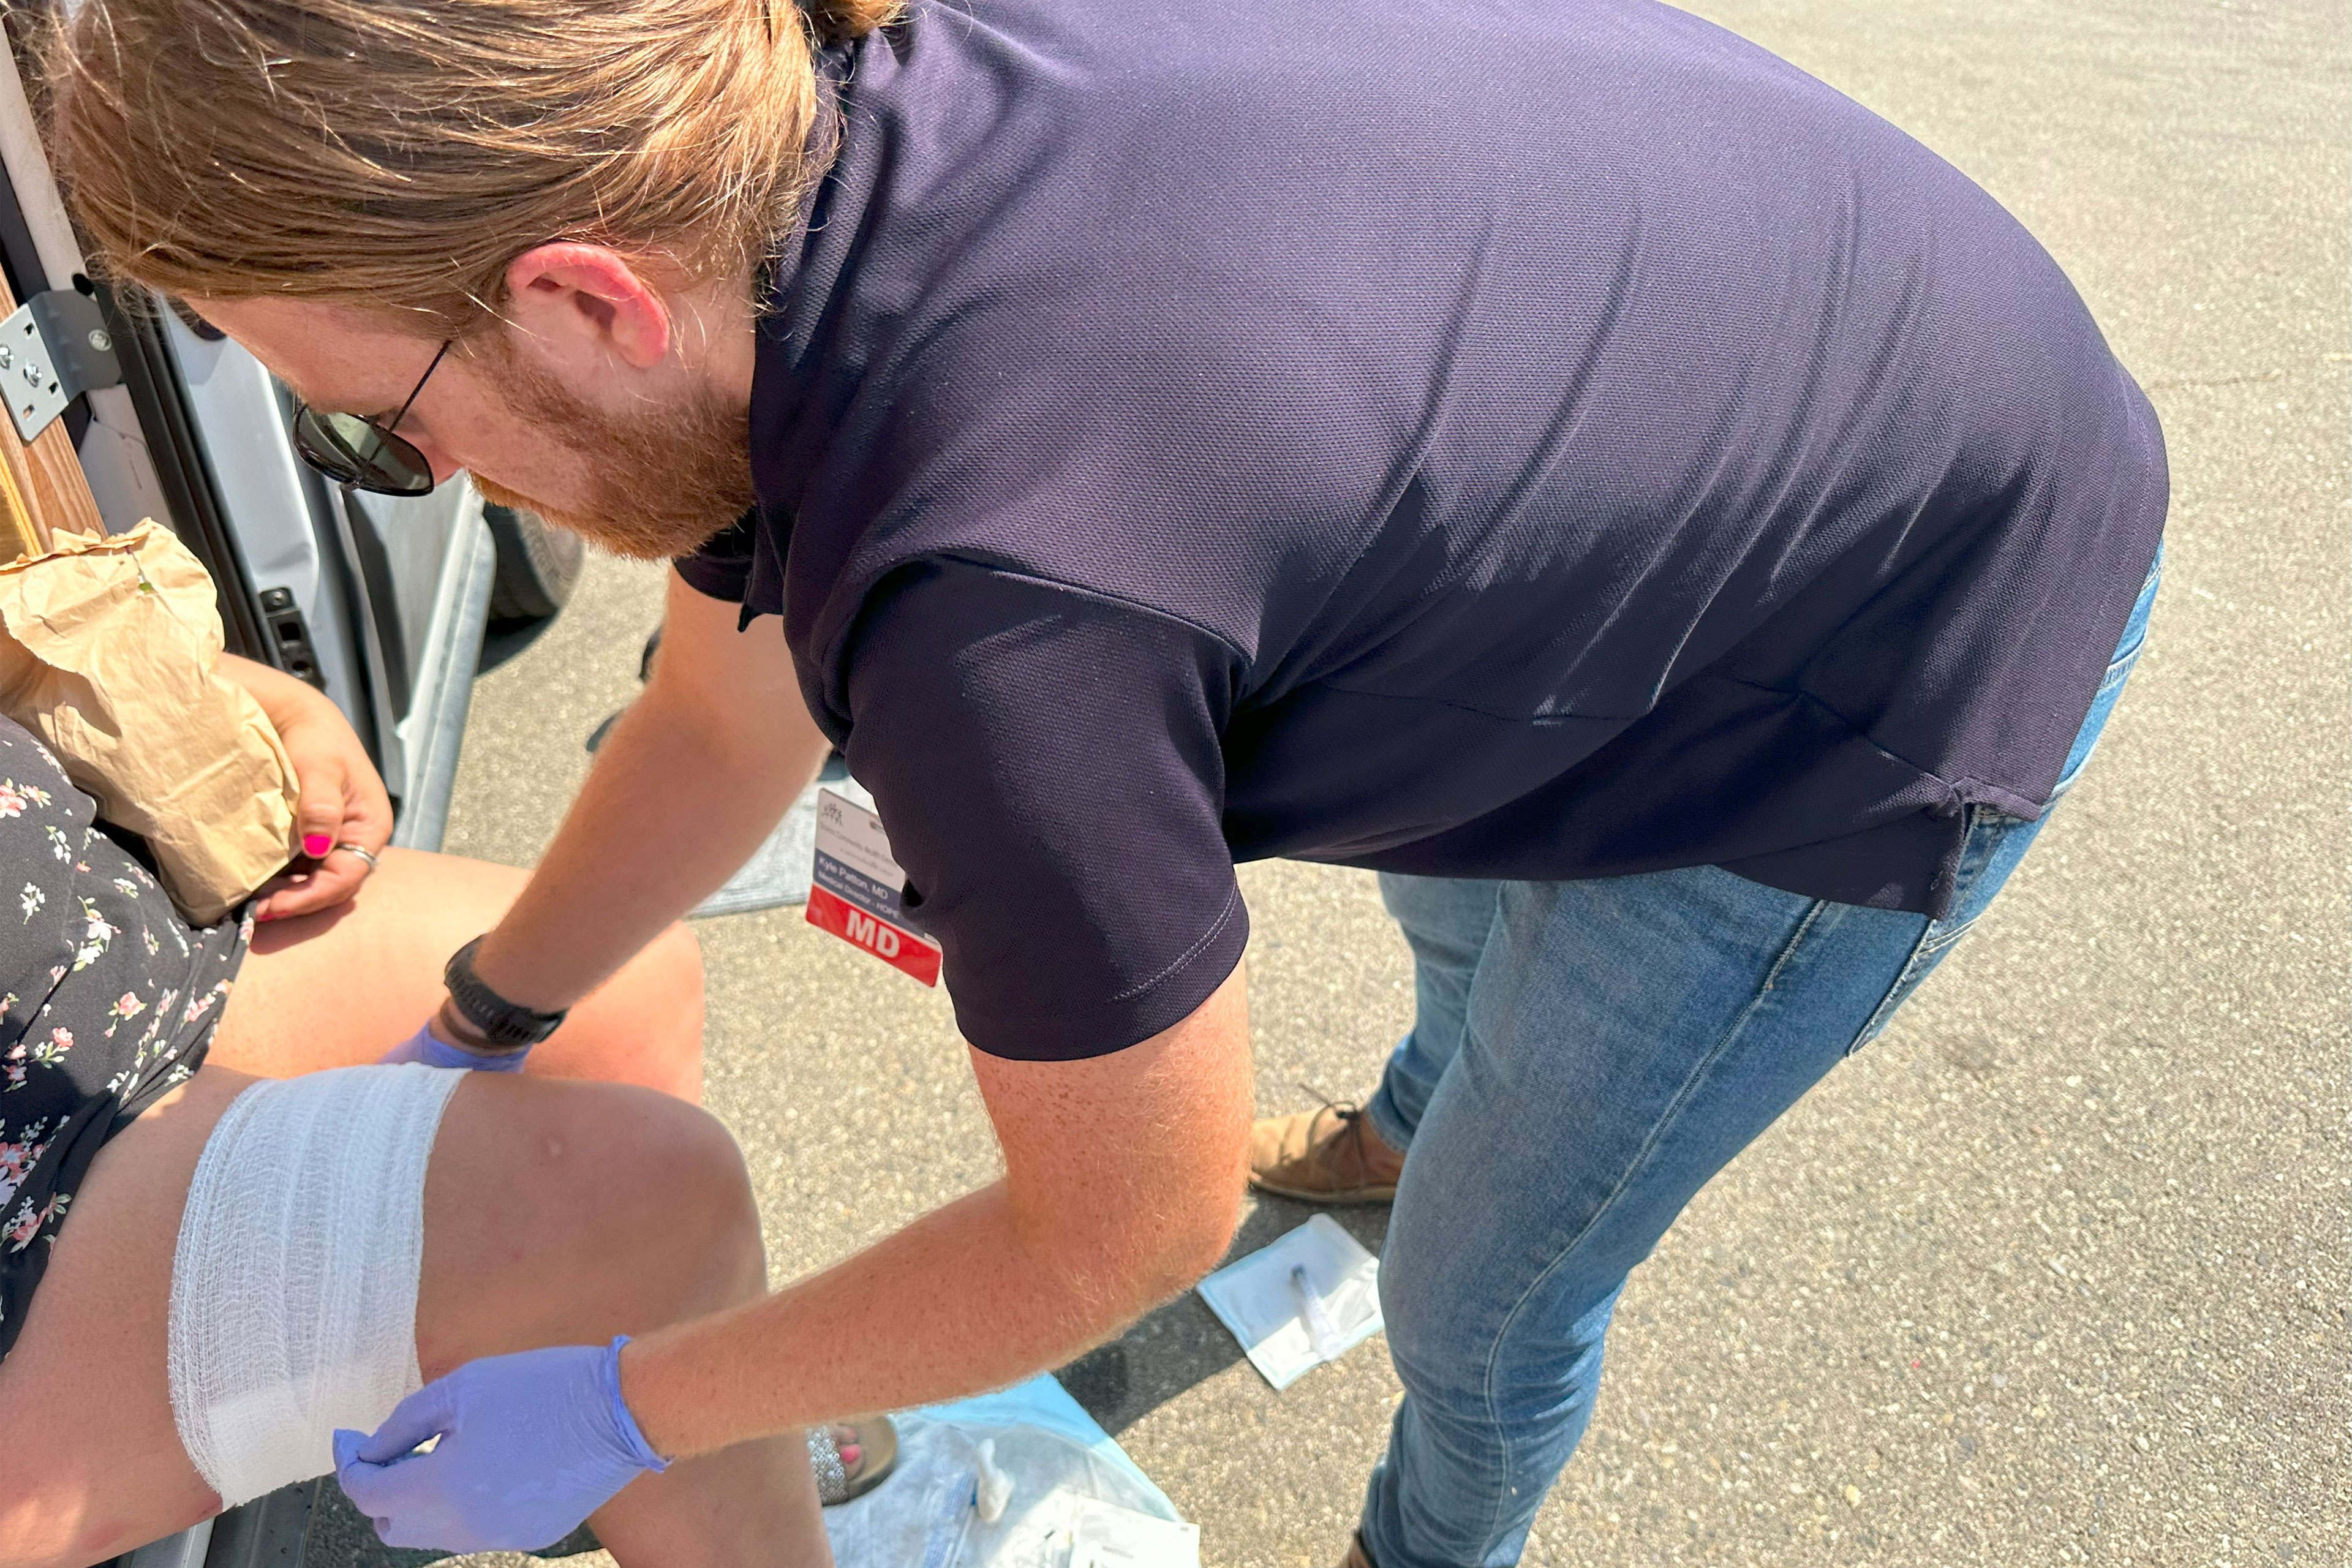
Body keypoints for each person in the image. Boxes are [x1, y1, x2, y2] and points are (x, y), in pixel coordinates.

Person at [38, 0, 2168, 1561]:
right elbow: (712, 719)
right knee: (1464, 899)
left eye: (378, 432)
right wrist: (485, 1016)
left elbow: (1121, 1228)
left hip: (1885, 666)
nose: (420, 476)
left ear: (582, 302)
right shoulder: (805, 155)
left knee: (1493, 1298)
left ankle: (1431, 1548)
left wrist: (619, 1405)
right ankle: (1424, 1114)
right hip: (1688, 462)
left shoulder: (999, 604)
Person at [0, 696, 831, 1568]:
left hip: (100, 937)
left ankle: (661, 1466)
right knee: (666, 1210)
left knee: (631, 979)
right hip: (35, 1166)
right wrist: (666, 1401)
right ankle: (691, 1433)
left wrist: (272, 697)